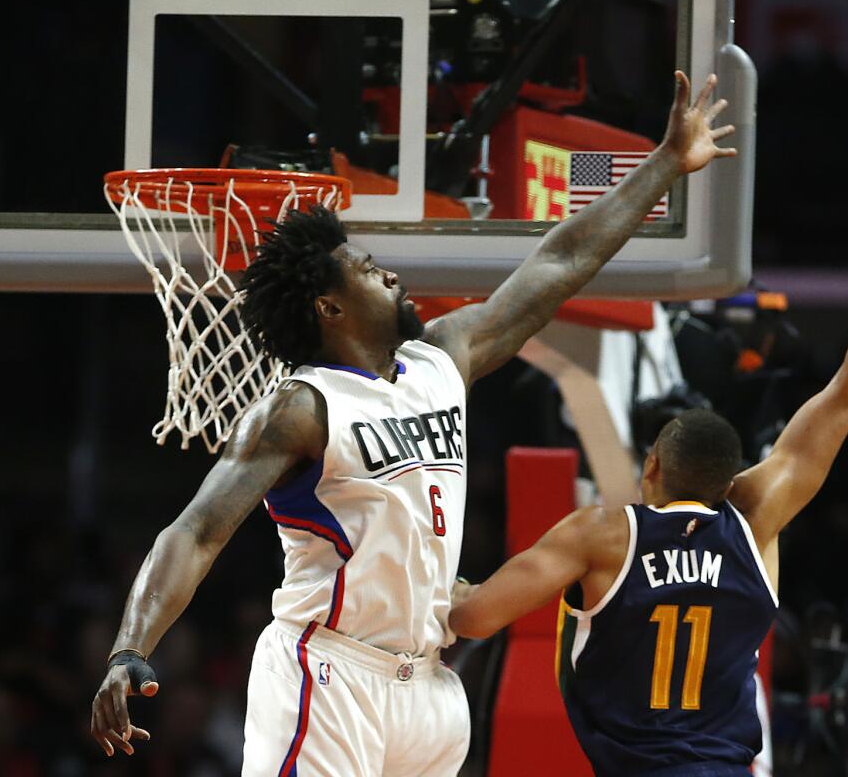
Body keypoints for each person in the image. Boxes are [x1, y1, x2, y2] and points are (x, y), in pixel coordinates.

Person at [87, 70, 735, 774]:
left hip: (429, 686)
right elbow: (196, 530)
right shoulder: (303, 408)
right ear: (330, 310)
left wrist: (666, 162)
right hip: (330, 674)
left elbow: (562, 259)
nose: (390, 276)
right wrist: (131, 646)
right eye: (367, 270)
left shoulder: (441, 360)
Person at [448, 184, 848, 776]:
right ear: (731, 479)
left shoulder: (601, 534)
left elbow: (474, 620)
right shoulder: (756, 520)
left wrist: (453, 592)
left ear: (653, 465)